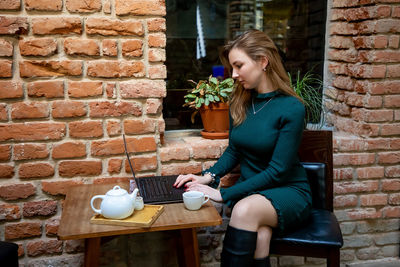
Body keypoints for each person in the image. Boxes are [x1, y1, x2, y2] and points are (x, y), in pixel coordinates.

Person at [174, 29, 312, 267]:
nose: (234, 75)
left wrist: (223, 194)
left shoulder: (292, 108)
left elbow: (278, 171)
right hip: (254, 193)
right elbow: (234, 151)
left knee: (244, 210)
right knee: (261, 237)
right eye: (232, 68)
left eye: (239, 66)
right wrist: (206, 178)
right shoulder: (240, 102)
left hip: (288, 191)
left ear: (263, 61)